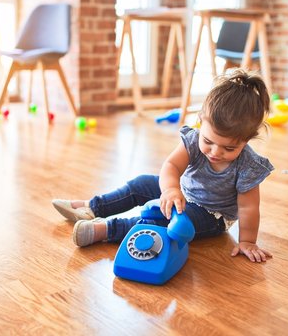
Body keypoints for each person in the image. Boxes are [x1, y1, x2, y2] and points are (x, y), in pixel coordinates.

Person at [52, 68, 274, 263]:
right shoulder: (193, 141)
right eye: (208, 141)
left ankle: (105, 230)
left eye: (229, 149)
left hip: (212, 217)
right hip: (181, 193)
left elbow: (248, 208)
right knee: (141, 184)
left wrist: (247, 241)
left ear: (246, 140)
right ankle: (91, 208)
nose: (215, 152)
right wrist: (171, 189)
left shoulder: (247, 165)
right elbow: (171, 167)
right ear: (200, 121)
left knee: (160, 217)